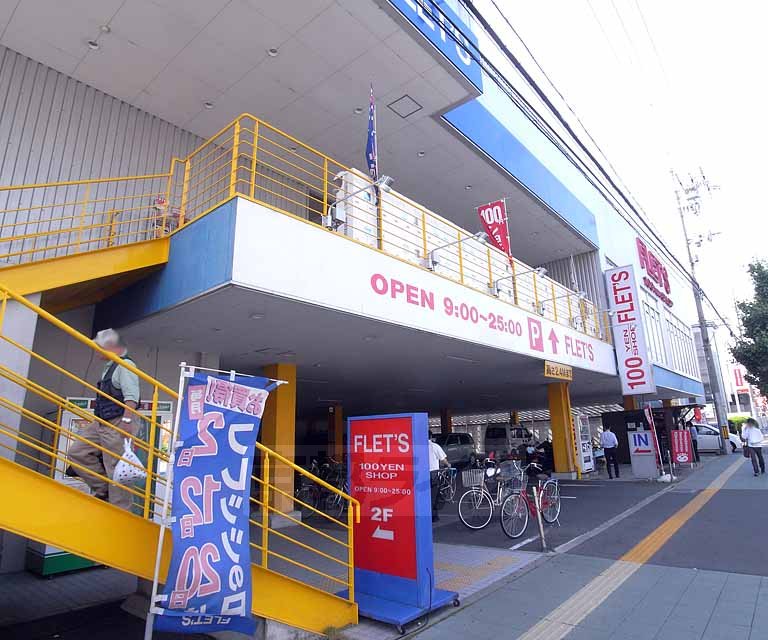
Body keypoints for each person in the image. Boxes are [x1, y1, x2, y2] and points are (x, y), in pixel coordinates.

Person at [69, 329, 141, 510]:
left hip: (118, 420)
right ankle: (103, 490)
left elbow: (132, 397)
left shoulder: (125, 365)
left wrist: (126, 422)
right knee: (77, 452)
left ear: (111, 347)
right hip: (102, 421)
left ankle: (120, 510)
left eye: (98, 347)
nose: (96, 352)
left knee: (116, 468)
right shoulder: (110, 367)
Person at [428, 433, 449, 522]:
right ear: (431, 437)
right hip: (433, 474)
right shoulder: (434, 446)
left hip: (422, 474)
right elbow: (443, 459)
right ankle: (433, 516)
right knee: (434, 495)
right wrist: (448, 464)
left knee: (424, 495)